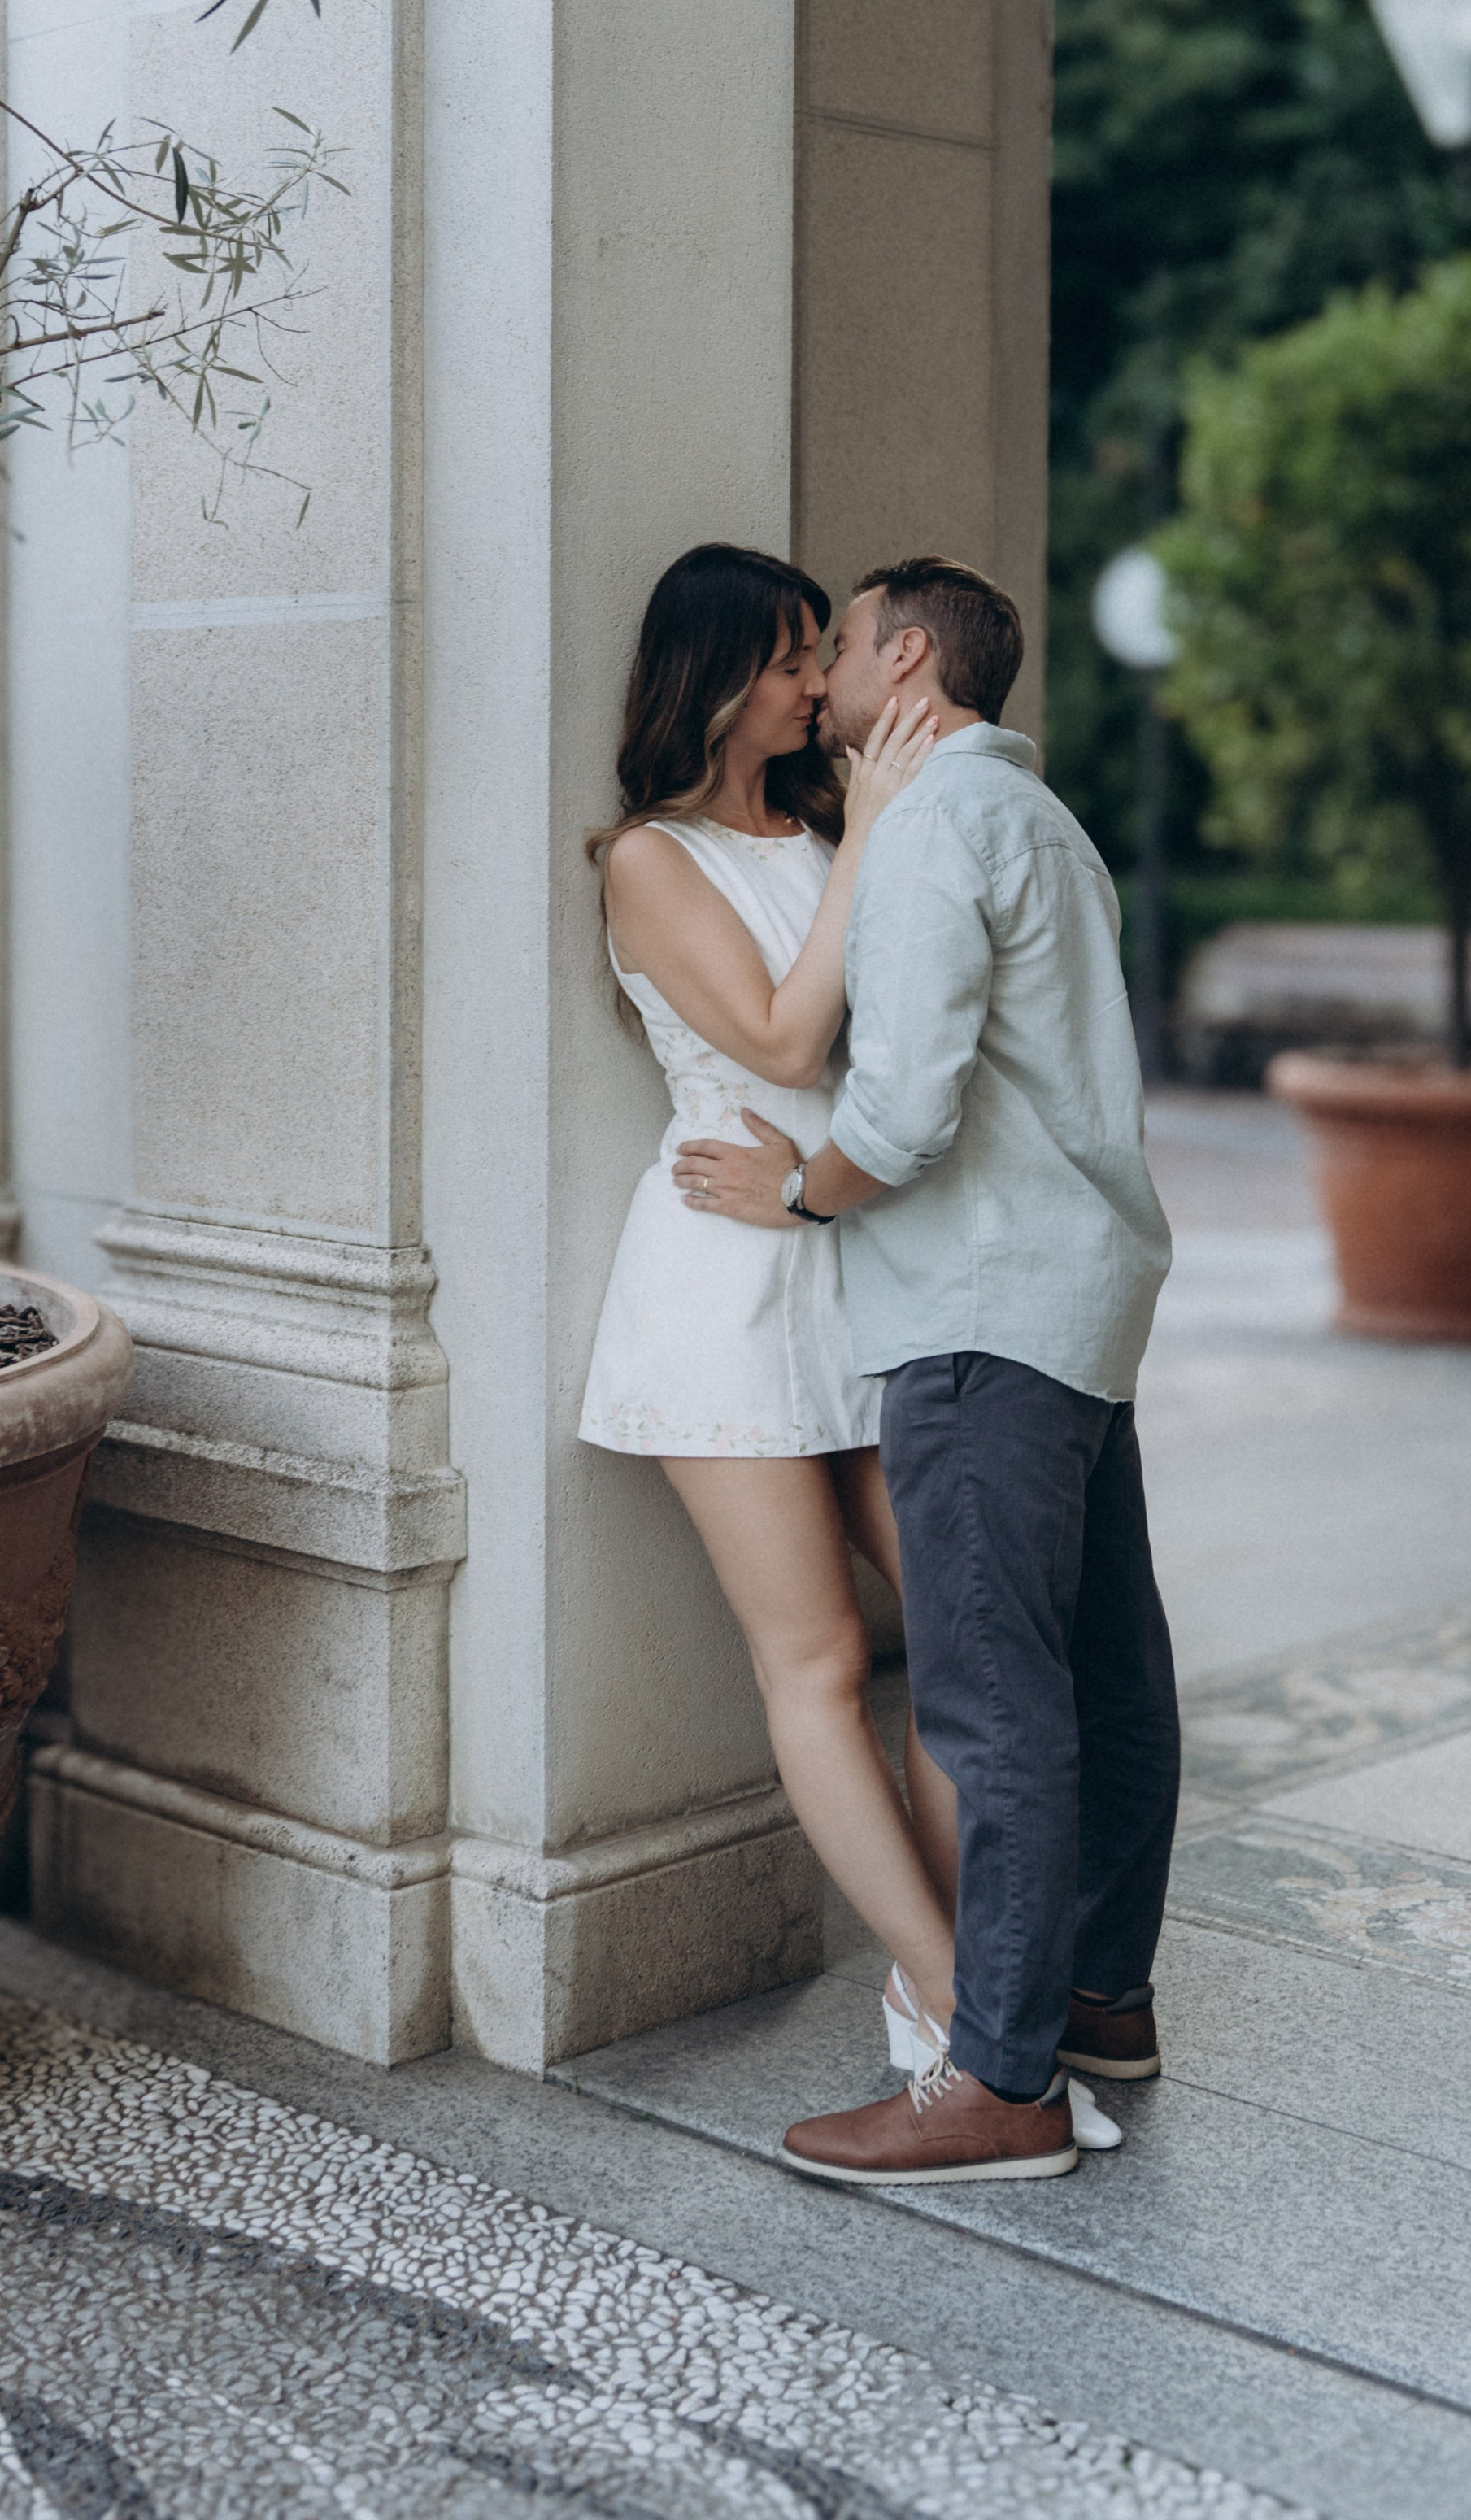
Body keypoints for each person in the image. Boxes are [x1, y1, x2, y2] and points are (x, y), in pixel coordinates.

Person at [676, 556, 1177, 2187]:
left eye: (832, 646)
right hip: (1078, 1298)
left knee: (988, 1701)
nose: (812, 678)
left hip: (974, 1312)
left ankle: (999, 2085)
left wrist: (799, 1190)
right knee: (1104, 1673)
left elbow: (901, 1104)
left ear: (904, 658)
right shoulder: (1039, 819)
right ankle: (1097, 2005)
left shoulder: (937, 826)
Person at [579, 541, 964, 2075]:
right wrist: (869, 835)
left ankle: (993, 1970)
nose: (823, 685)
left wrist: (865, 829)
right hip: (720, 1282)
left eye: (827, 656)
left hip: (856, 1261)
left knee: (954, 1628)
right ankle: (937, 1992)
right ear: (724, 673)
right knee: (812, 1659)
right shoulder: (649, 858)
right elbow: (785, 1044)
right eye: (799, 658)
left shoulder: (816, 827)